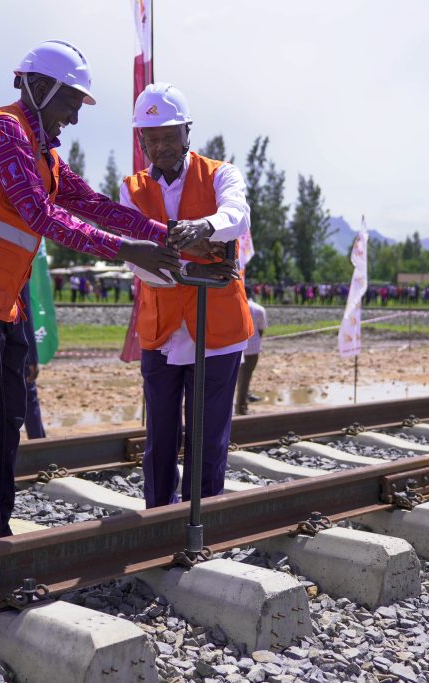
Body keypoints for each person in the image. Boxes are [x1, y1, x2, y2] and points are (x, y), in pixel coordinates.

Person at [0, 40, 184, 544]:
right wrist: (128, 251)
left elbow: (92, 203)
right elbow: (42, 215)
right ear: (40, 89)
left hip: (1, 296)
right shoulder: (3, 133)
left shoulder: (42, 151)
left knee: (9, 416)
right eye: (70, 104)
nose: (75, 119)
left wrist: (162, 234)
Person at [120, 82, 253, 508]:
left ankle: (204, 517)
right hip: (160, 331)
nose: (159, 147)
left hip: (218, 330)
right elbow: (136, 258)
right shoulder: (131, 188)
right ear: (141, 140)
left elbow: (237, 216)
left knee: (208, 436)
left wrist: (205, 229)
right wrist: (199, 259)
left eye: (168, 136)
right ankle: (159, 518)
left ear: (187, 132)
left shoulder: (221, 174)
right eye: (151, 138)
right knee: (158, 437)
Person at [235, 286, 267, 415]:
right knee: (246, 376)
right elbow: (261, 330)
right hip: (252, 349)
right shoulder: (259, 309)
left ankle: (239, 403)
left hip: (235, 347)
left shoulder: (235, 306)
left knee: (236, 377)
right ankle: (241, 406)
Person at [21, 283, 45, 439]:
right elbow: (25, 309)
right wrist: (32, 357)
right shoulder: (18, 261)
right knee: (29, 397)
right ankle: (39, 446)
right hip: (13, 343)